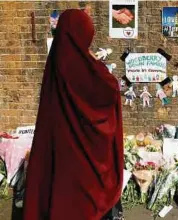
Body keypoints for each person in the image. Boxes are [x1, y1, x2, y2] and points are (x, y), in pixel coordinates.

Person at [23, 9, 124, 220]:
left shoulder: (56, 62)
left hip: (61, 147)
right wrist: (97, 65)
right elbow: (109, 89)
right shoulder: (87, 68)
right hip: (86, 162)